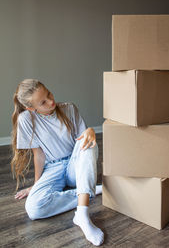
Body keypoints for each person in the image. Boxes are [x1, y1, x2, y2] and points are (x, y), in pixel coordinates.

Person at [11, 79, 104, 246]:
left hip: (74, 165)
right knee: (34, 208)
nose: (51, 101)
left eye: (49, 94)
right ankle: (89, 191)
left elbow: (83, 141)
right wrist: (36, 185)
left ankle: (82, 214)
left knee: (89, 143)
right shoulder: (26, 119)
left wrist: (90, 131)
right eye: (43, 102)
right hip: (52, 168)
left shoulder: (69, 108)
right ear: (31, 108)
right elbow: (38, 155)